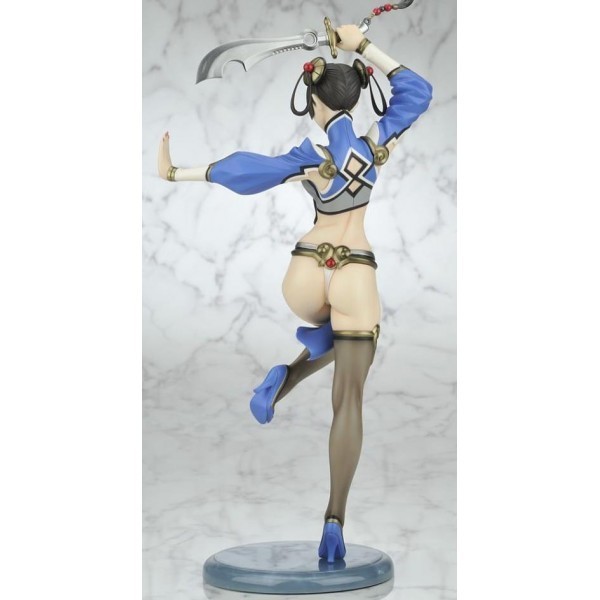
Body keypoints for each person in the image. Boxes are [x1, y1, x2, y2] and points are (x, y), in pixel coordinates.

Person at [158, 24, 432, 563]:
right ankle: (333, 520)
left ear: (314, 102)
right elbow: (418, 91)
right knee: (350, 388)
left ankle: (287, 372)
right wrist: (362, 46)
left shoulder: (311, 156)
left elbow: (246, 170)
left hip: (305, 275)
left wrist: (178, 173)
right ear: (356, 97)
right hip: (355, 273)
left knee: (332, 333)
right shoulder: (377, 146)